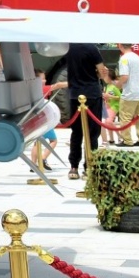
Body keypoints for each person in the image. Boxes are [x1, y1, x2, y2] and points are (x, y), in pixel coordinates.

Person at [50, 41, 108, 180]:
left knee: (76, 132)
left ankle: (73, 167)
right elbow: (101, 72)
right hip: (92, 94)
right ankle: (89, 167)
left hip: (75, 95)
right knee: (92, 134)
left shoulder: (68, 48)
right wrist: (99, 73)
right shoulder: (92, 48)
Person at [114, 44, 139, 143]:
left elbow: (124, 76)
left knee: (125, 117)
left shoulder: (124, 59)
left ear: (120, 46)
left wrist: (118, 85)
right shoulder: (137, 57)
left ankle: (127, 140)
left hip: (129, 92)